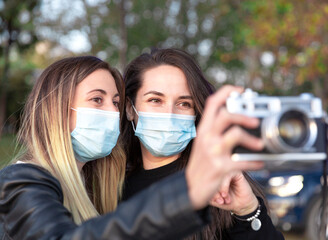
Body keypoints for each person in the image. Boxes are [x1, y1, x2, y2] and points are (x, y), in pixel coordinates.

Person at [0, 56, 265, 239]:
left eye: (114, 102)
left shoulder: (98, 179)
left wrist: (247, 213)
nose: (110, 112)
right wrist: (187, 193)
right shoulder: (22, 180)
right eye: (96, 100)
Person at [121, 48, 284, 239]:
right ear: (130, 109)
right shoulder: (110, 187)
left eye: (184, 104)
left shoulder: (221, 186)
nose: (169, 114)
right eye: (155, 100)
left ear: (196, 112)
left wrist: (247, 211)